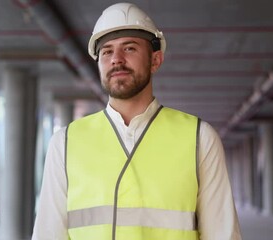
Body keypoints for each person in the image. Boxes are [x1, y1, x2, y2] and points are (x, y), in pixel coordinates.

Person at [32, 2, 242, 240]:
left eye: (129, 48)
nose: (116, 59)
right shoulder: (65, 143)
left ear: (156, 60)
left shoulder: (200, 138)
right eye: (107, 51)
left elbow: (222, 234)